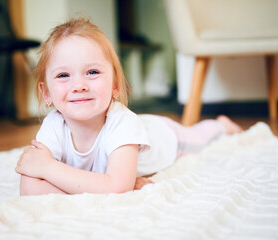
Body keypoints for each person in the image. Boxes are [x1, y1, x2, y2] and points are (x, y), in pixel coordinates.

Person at [15, 18, 242, 196]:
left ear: (115, 85)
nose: (79, 86)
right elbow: (29, 188)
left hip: (165, 137)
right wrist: (106, 186)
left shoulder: (123, 123)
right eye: (63, 75)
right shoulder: (53, 124)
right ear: (47, 94)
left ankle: (221, 125)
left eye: (92, 72)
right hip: (139, 133)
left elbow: (115, 187)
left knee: (199, 137)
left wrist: (49, 170)